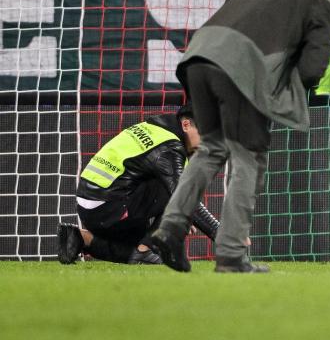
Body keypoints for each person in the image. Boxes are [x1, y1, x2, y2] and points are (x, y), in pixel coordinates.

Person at [148, 0, 330, 273]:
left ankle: (169, 229)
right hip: (236, 70)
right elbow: (312, 69)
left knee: (211, 148)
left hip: (197, 59)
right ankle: (231, 254)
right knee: (249, 158)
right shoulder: (322, 1)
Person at [58, 104, 221, 265]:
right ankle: (145, 249)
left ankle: (80, 238)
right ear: (186, 124)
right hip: (108, 208)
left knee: (137, 251)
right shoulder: (169, 148)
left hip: (93, 204)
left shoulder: (155, 128)